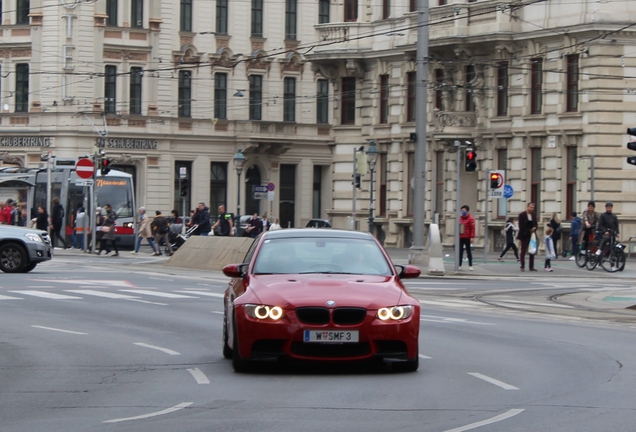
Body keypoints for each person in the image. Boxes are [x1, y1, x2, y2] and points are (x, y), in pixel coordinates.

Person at [517, 202, 538, 272]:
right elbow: (521, 226)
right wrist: (529, 229)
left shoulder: (533, 215)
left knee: (532, 250)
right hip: (524, 235)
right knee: (523, 250)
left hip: (532, 235)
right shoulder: (522, 215)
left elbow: (536, 224)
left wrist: (535, 228)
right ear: (527, 207)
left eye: (533, 208)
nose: (532, 209)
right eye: (531, 207)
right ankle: (522, 266)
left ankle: (531, 266)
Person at [458, 205, 475, 271]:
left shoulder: (470, 219)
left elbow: (472, 228)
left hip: (467, 237)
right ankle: (459, 265)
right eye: (462, 210)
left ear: (467, 211)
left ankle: (470, 265)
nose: (463, 212)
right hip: (461, 237)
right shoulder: (460, 218)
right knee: (460, 252)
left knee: (469, 252)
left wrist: (472, 237)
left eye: (464, 210)